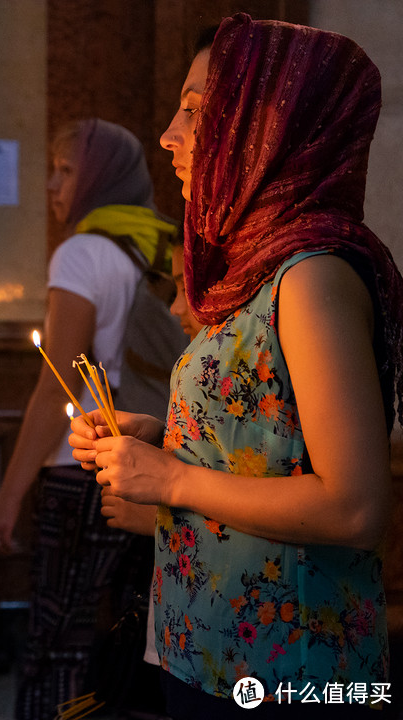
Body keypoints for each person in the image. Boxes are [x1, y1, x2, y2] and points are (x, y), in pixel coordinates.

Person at [71, 14, 403, 719]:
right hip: (217, 654)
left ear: (265, 126)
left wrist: (172, 477)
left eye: (196, 110)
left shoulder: (310, 276)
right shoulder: (256, 270)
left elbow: (355, 505)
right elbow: (272, 441)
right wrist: (162, 439)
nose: (169, 134)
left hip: (291, 672)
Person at [0, 118, 178, 719]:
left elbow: (58, 386)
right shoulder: (165, 245)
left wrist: (9, 493)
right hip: (155, 464)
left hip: (81, 469)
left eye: (67, 169)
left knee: (57, 642)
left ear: (100, 176)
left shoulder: (81, 253)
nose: (52, 183)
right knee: (130, 636)